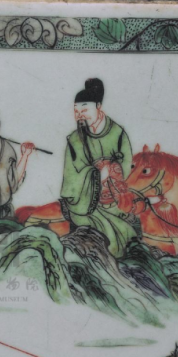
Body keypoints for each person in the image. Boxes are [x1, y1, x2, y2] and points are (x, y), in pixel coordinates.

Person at [58, 78, 140, 258]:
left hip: (115, 199)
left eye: (84, 110)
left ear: (99, 107)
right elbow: (71, 178)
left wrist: (113, 171)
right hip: (86, 204)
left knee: (133, 231)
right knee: (105, 238)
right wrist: (97, 176)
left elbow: (127, 164)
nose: (80, 115)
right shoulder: (74, 140)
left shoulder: (117, 133)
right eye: (76, 111)